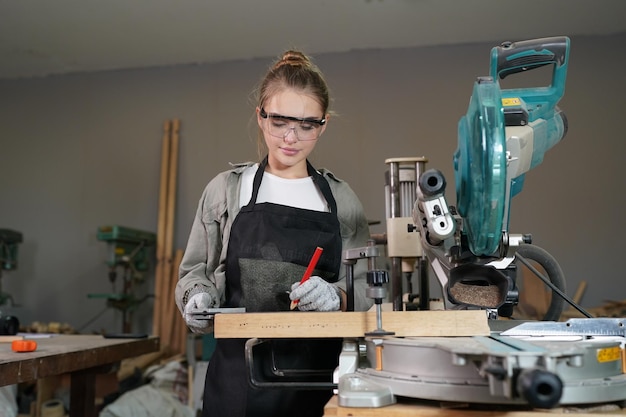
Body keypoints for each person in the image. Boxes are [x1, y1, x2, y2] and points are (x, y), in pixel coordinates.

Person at [175, 50, 373, 417]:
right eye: (280, 121)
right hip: (237, 385)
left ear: (323, 124)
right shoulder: (225, 191)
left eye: (307, 125)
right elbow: (194, 273)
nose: (291, 137)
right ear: (260, 116)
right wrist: (196, 298)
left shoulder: (341, 201)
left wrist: (338, 297)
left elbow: (372, 287)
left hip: (320, 386)